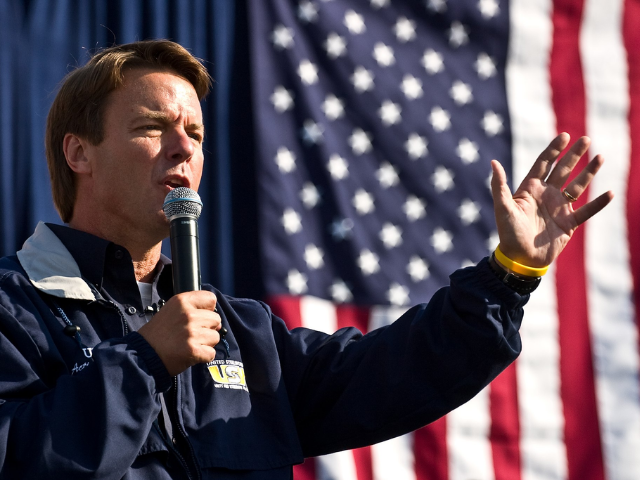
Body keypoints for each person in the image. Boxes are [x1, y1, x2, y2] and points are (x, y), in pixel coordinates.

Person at [0, 39, 613, 479]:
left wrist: (508, 276)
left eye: (196, 134)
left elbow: (392, 372)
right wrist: (143, 361)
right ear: (79, 153)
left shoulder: (242, 334)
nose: (183, 146)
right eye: (151, 126)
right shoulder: (12, 308)